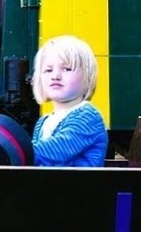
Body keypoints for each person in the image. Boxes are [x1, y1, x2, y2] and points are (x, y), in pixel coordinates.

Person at [29, 35, 107, 167]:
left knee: (3, 127)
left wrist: (12, 150)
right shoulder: (44, 121)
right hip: (50, 185)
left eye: (67, 69)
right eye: (48, 70)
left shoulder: (88, 116)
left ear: (87, 76)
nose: (55, 76)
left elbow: (55, 152)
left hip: (75, 186)